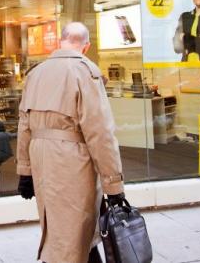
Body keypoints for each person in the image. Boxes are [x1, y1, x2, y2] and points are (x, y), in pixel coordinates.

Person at [17, 22, 125, 263]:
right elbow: (101, 134)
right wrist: (114, 186)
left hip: (42, 163)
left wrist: (25, 172)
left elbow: (24, 125)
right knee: (77, 237)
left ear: (60, 42)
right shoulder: (86, 72)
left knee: (59, 233)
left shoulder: (35, 74)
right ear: (86, 47)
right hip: (74, 165)